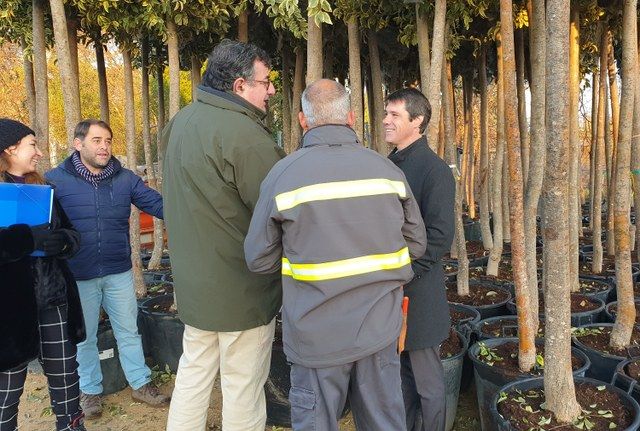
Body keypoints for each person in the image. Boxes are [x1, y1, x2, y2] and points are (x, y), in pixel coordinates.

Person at [245, 79, 428, 431]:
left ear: (302, 120)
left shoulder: (283, 176)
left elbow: (258, 259)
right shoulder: (387, 171)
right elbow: (416, 244)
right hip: (378, 331)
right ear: (351, 117)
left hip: (316, 336)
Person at [161, 39, 284, 431]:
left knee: (193, 376)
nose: (271, 90)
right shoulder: (244, 135)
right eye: (265, 82)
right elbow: (278, 210)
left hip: (195, 286)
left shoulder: (179, 122)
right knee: (243, 385)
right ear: (239, 86)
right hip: (241, 289)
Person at [45, 119, 168, 418]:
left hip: (118, 271)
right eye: (97, 140)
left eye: (108, 141)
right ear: (78, 143)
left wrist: (194, 208)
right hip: (78, 274)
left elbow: (158, 204)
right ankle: (89, 391)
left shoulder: (125, 179)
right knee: (85, 336)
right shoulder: (55, 180)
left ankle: (140, 383)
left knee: (128, 330)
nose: (104, 146)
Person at [0, 118, 87, 431]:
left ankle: (71, 425)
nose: (38, 152)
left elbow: (72, 234)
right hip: (10, 310)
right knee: (7, 387)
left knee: (65, 375)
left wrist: (61, 241)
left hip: (53, 299)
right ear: (9, 148)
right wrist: (27, 239)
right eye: (32, 144)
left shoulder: (43, 189)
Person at [385, 88, 456, 431]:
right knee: (401, 378)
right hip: (392, 288)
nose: (386, 120)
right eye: (386, 113)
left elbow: (440, 236)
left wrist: (405, 274)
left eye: (395, 115)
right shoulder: (387, 165)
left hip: (419, 292)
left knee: (427, 382)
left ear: (418, 121)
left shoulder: (434, 170)